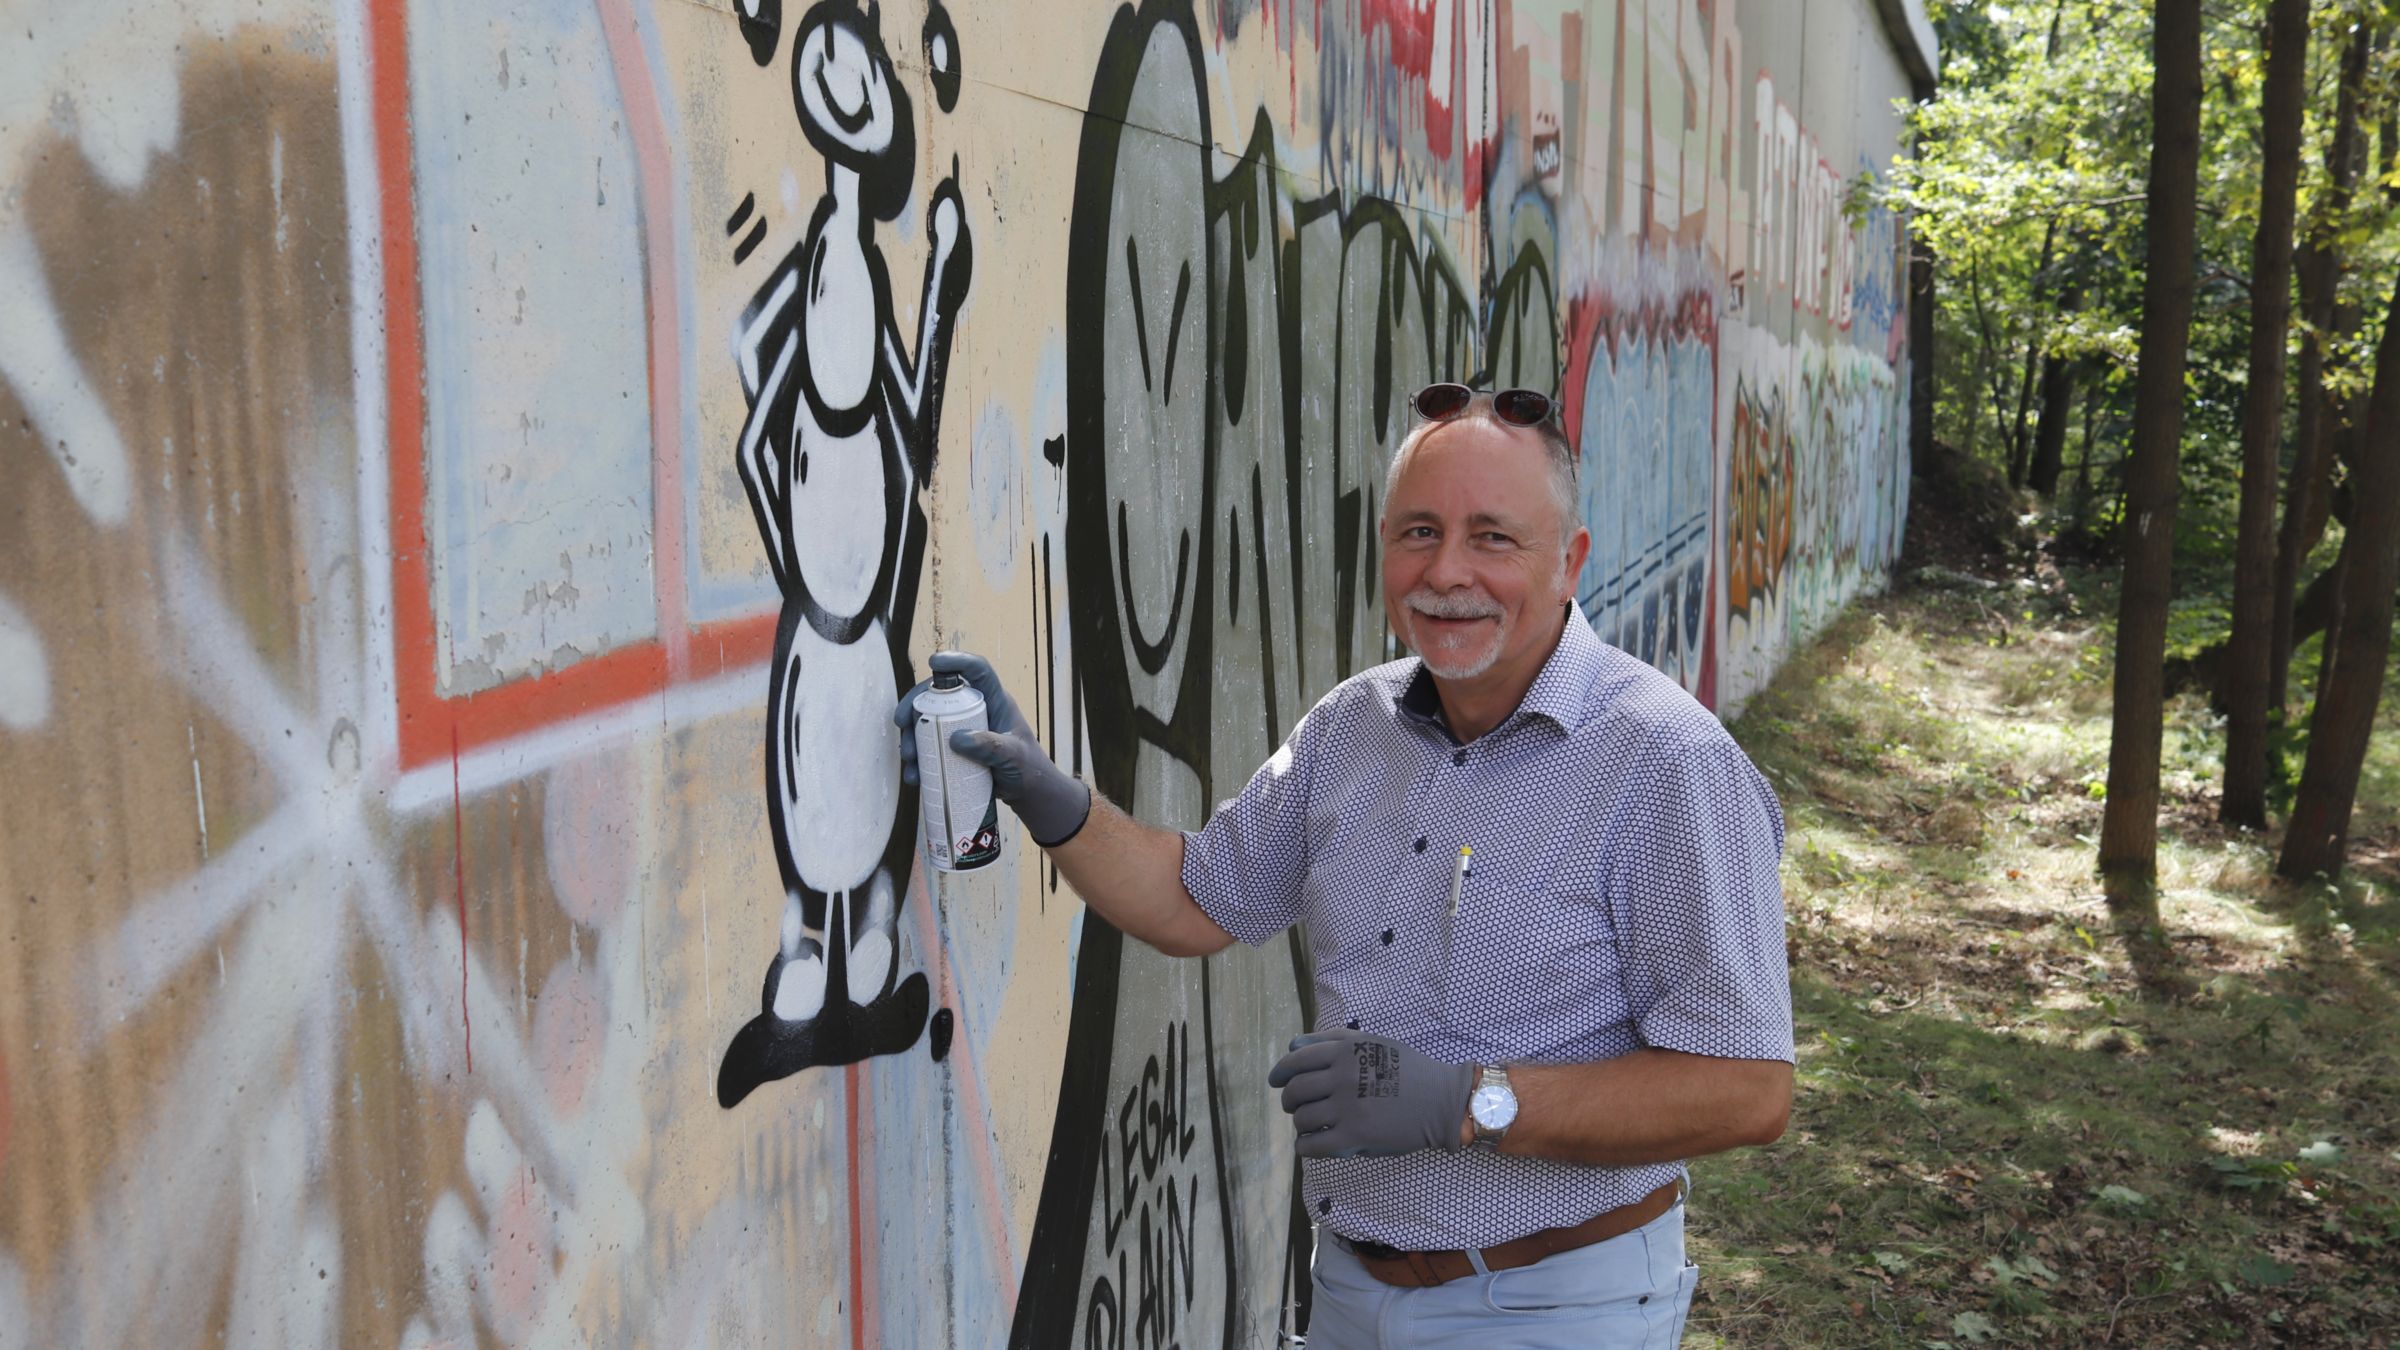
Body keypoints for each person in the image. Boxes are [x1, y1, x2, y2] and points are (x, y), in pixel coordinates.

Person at [895, 383, 1794, 1347]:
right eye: (1419, 532)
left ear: (1569, 561)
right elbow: (1194, 899)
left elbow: (1748, 1088)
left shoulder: (1666, 761)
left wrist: (1467, 1102)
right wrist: (1052, 800)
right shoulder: (1352, 728)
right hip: (1347, 1292)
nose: (1446, 571)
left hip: (1554, 1307)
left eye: (1493, 537)